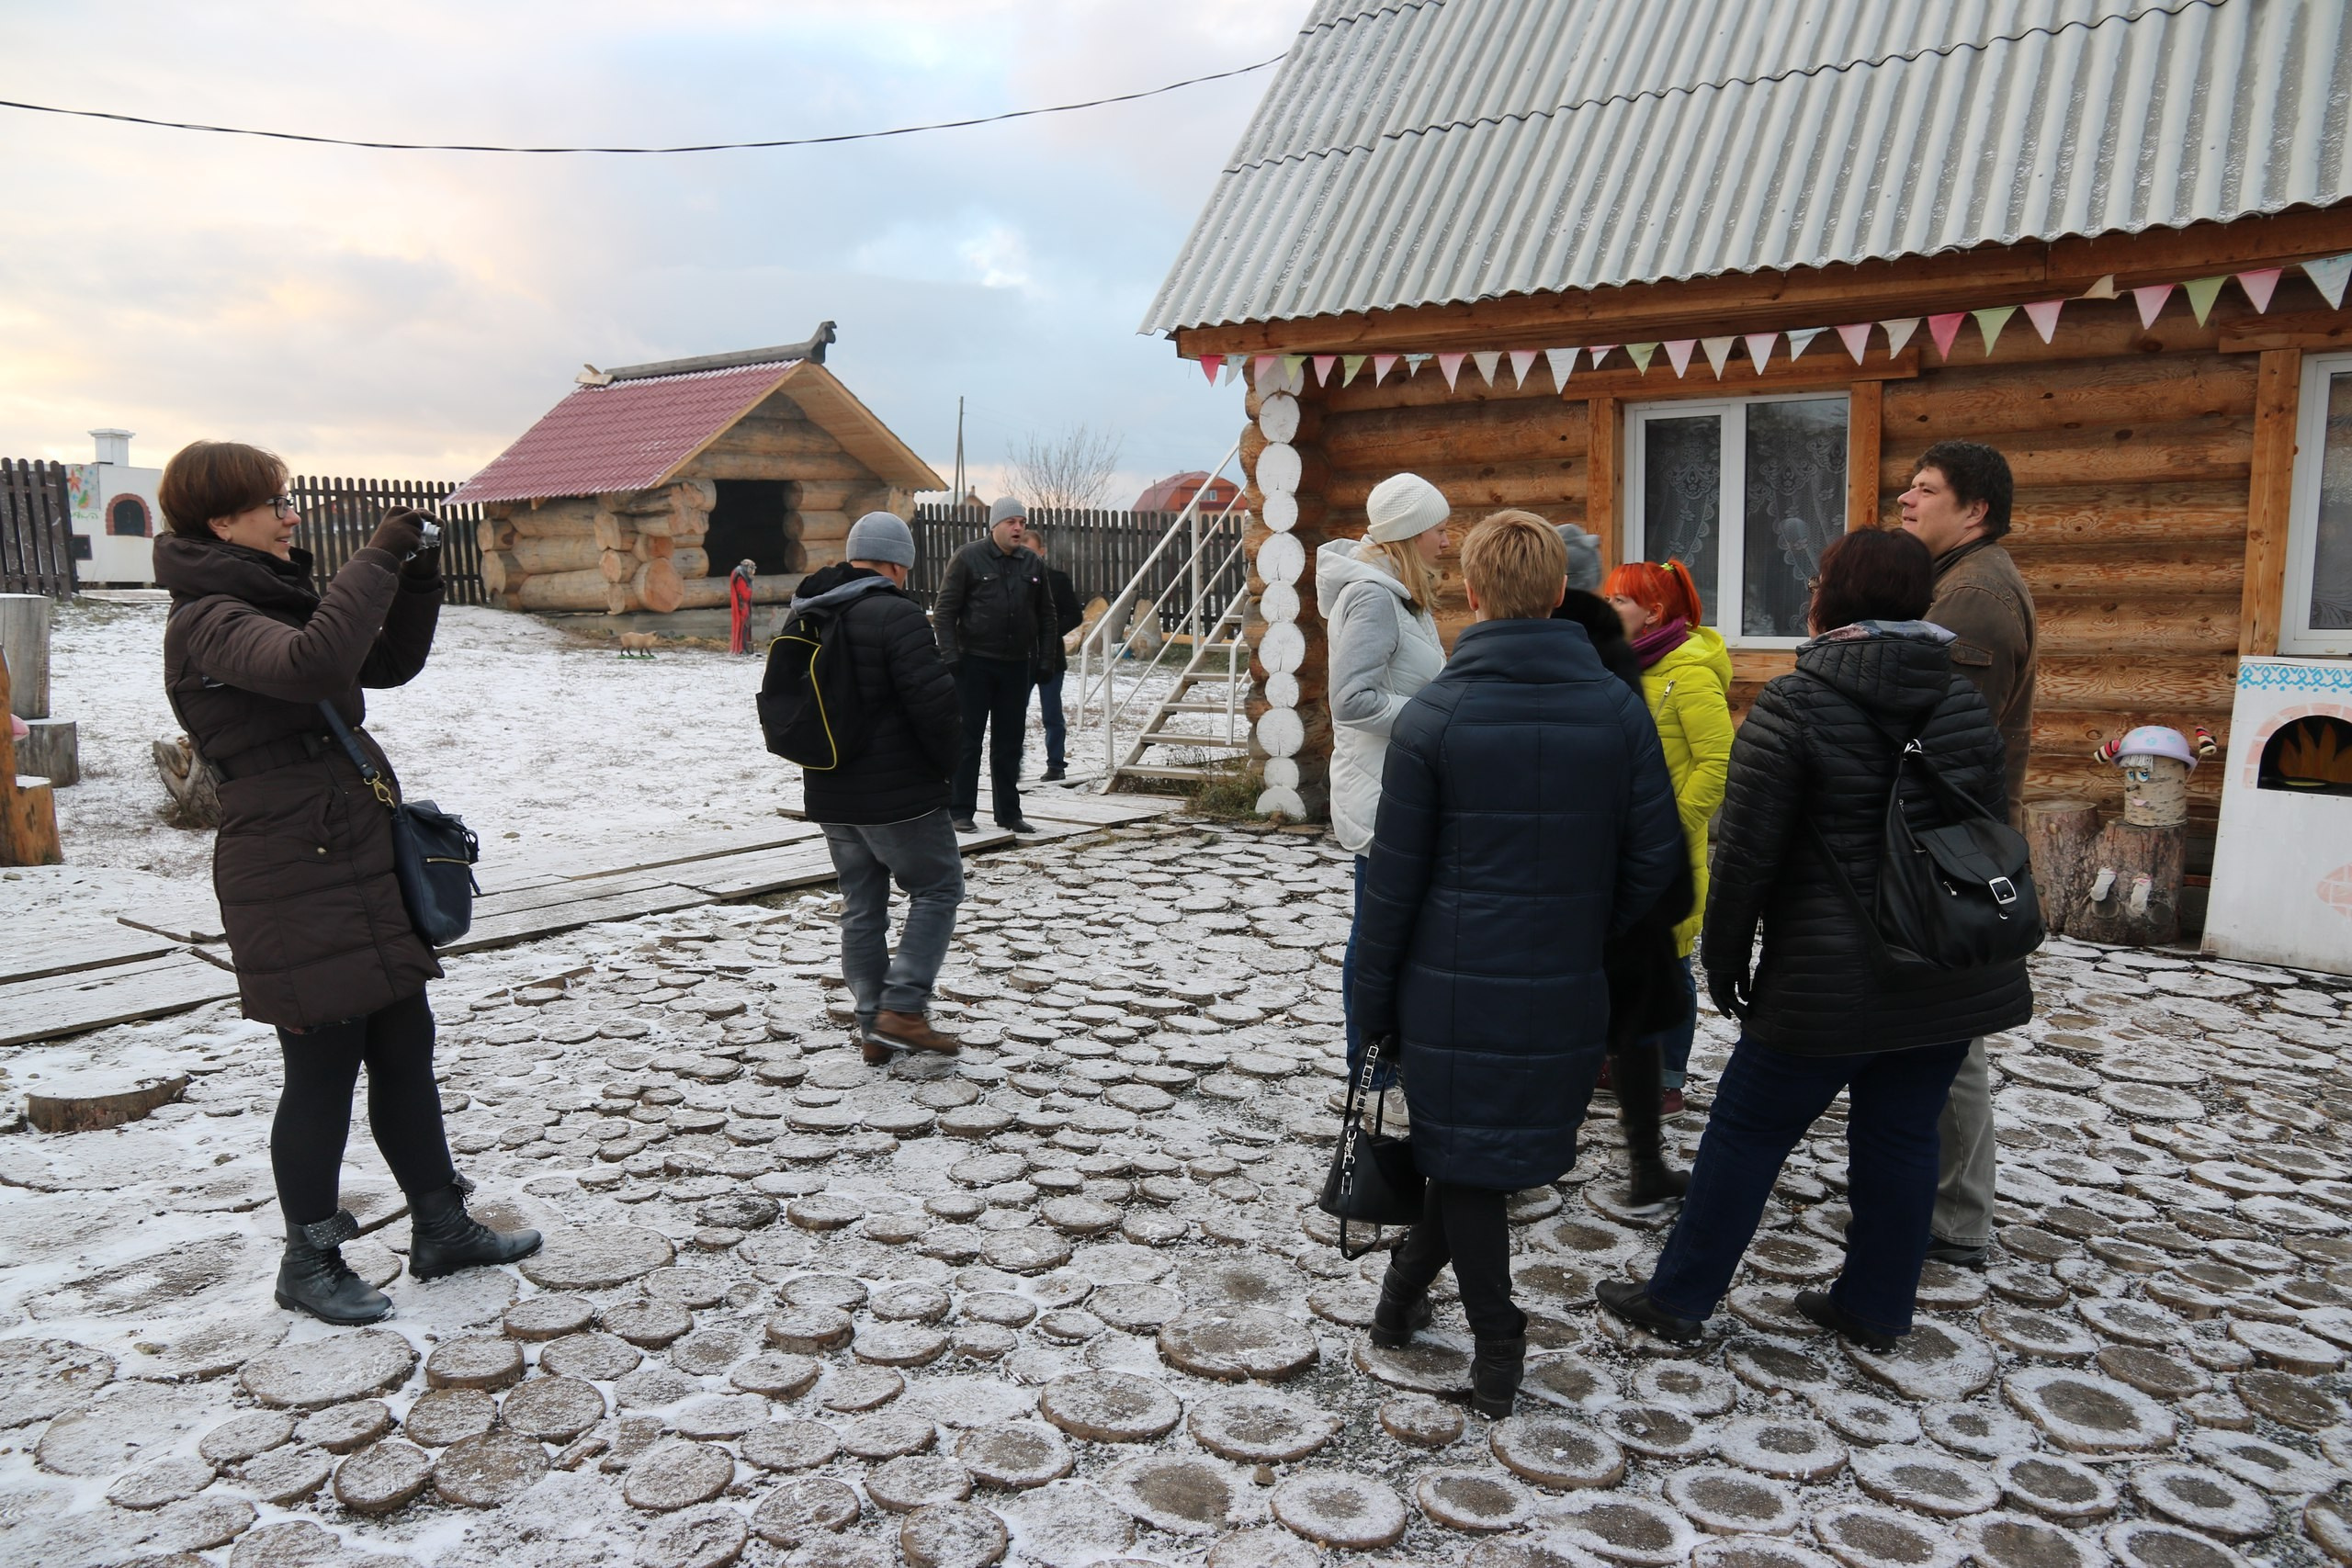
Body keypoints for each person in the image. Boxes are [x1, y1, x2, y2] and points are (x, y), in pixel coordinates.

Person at [1597, 528, 2031, 1351]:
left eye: (1819, 579)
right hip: (1943, 966)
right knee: (1901, 1136)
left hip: (1827, 979)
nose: (1808, 591)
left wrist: (1726, 961)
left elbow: (1747, 852)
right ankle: (1874, 1306)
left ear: (1833, 599)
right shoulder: (1962, 703)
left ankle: (1680, 1298)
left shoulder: (1797, 703)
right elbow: (1981, 828)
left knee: (1746, 1132)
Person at [153, 440, 538, 1326]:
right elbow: (315, 668)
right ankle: (310, 1257)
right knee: (322, 1067)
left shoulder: (273, 599)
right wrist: (373, 556)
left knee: (405, 1046)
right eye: (275, 503)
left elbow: (383, 663)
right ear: (221, 521)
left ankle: (441, 1226)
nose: (291, 515)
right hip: (289, 870)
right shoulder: (206, 618)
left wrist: (416, 571)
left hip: (349, 852)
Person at [1352, 512, 1683, 1416]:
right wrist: (1583, 929)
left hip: (1448, 985)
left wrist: (1369, 1003)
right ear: (1554, 594)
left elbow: (1394, 882)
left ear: (1471, 592)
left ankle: (1497, 1345)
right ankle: (1398, 1302)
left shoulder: (1438, 716)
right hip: (1564, 987)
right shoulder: (1615, 706)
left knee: (1465, 1162)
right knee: (1466, 1158)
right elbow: (1656, 858)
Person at [1899, 440, 2033, 1270]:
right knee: (1938, 1032)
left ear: (1975, 508)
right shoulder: (1957, 580)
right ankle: (1939, 1197)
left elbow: (1945, 739)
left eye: (1926, 489)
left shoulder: (1976, 595)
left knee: (1951, 1036)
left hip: (1953, 845)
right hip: (1947, 839)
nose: (1907, 500)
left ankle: (1955, 1215)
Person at [789, 513, 967, 1065]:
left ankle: (872, 1027)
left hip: (830, 791)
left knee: (862, 907)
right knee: (938, 888)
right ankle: (904, 1008)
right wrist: (948, 769)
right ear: (897, 563)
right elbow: (935, 708)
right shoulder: (899, 615)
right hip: (897, 794)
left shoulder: (808, 612)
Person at [1554, 525, 1694, 1213]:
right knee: (1633, 1022)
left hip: (1549, 865)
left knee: (1547, 1019)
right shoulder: (1606, 644)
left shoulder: (1530, 639)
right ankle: (1644, 1160)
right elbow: (1642, 769)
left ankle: (1526, 1157)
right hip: (1618, 864)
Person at [1320, 472, 1450, 1083]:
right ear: (1410, 535)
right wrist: (1437, 719)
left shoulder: (1399, 595)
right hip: (1380, 796)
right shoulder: (1373, 597)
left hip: (1401, 786)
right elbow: (1350, 699)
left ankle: (1390, 1062)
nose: (1448, 541)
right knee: (1376, 941)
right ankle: (1369, 1073)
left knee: (1392, 937)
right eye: (1440, 529)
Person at [1600, 558, 1733, 1120]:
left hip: (1667, 856)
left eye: (1618, 602)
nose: (1607, 611)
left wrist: (1667, 825)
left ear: (1653, 613)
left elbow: (1718, 763)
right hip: (1617, 850)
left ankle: (1667, 1081)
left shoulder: (1691, 672)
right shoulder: (1621, 668)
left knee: (1668, 966)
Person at [935, 497, 1052, 834]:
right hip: (974, 663)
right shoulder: (968, 558)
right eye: (1011, 522)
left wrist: (1044, 659)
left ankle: (1009, 813)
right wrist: (951, 656)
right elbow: (945, 612)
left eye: (1022, 523)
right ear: (994, 526)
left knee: (1010, 742)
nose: (1018, 528)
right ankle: (960, 810)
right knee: (967, 739)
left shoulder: (1032, 564)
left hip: (1016, 666)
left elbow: (1047, 616)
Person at [1024, 527, 1085, 783]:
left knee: (1052, 713)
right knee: (1013, 714)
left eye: (1030, 549)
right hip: (1019, 657)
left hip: (1051, 657)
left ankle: (1056, 765)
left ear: (1042, 551)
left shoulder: (1057, 579)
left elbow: (1075, 614)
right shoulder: (1009, 579)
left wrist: (1050, 632)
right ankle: (1010, 765)